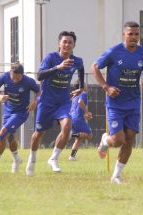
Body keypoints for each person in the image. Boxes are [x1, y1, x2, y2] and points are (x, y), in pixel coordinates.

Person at [91, 21, 143, 184]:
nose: (133, 37)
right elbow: (95, 67)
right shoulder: (113, 52)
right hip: (115, 104)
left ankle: (116, 175)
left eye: (136, 34)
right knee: (118, 140)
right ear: (124, 35)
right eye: (130, 34)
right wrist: (106, 87)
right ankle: (105, 140)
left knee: (130, 139)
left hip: (133, 102)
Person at [25, 31, 84, 176]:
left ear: (74, 45)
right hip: (46, 102)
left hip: (63, 101)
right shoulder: (51, 58)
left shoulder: (77, 60)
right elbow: (39, 75)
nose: (67, 45)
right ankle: (32, 159)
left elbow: (81, 70)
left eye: (70, 42)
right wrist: (58, 67)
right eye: (64, 42)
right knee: (39, 134)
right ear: (59, 44)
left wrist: (81, 87)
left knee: (67, 126)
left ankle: (54, 158)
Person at [0, 63, 40, 173]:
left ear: (22, 75)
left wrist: (35, 101)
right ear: (10, 72)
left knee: (3, 133)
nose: (15, 80)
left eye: (18, 79)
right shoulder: (5, 77)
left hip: (21, 113)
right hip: (8, 111)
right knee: (10, 138)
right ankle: (16, 159)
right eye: (13, 78)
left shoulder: (28, 81)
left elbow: (39, 91)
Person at [68, 81, 93, 161]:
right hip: (77, 119)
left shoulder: (74, 96)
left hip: (72, 118)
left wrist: (85, 114)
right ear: (81, 86)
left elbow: (75, 108)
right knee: (89, 136)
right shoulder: (83, 93)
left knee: (79, 139)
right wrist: (86, 112)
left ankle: (72, 157)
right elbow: (80, 102)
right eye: (85, 84)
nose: (86, 85)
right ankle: (71, 134)